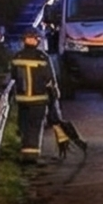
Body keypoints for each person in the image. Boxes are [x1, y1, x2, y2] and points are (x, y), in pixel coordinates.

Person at [25, 30, 88, 159]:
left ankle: (71, 142)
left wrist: (53, 90)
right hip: (44, 93)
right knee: (55, 121)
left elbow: (49, 76)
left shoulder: (39, 57)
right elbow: (49, 76)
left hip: (42, 94)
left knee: (54, 120)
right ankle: (67, 144)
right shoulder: (42, 56)